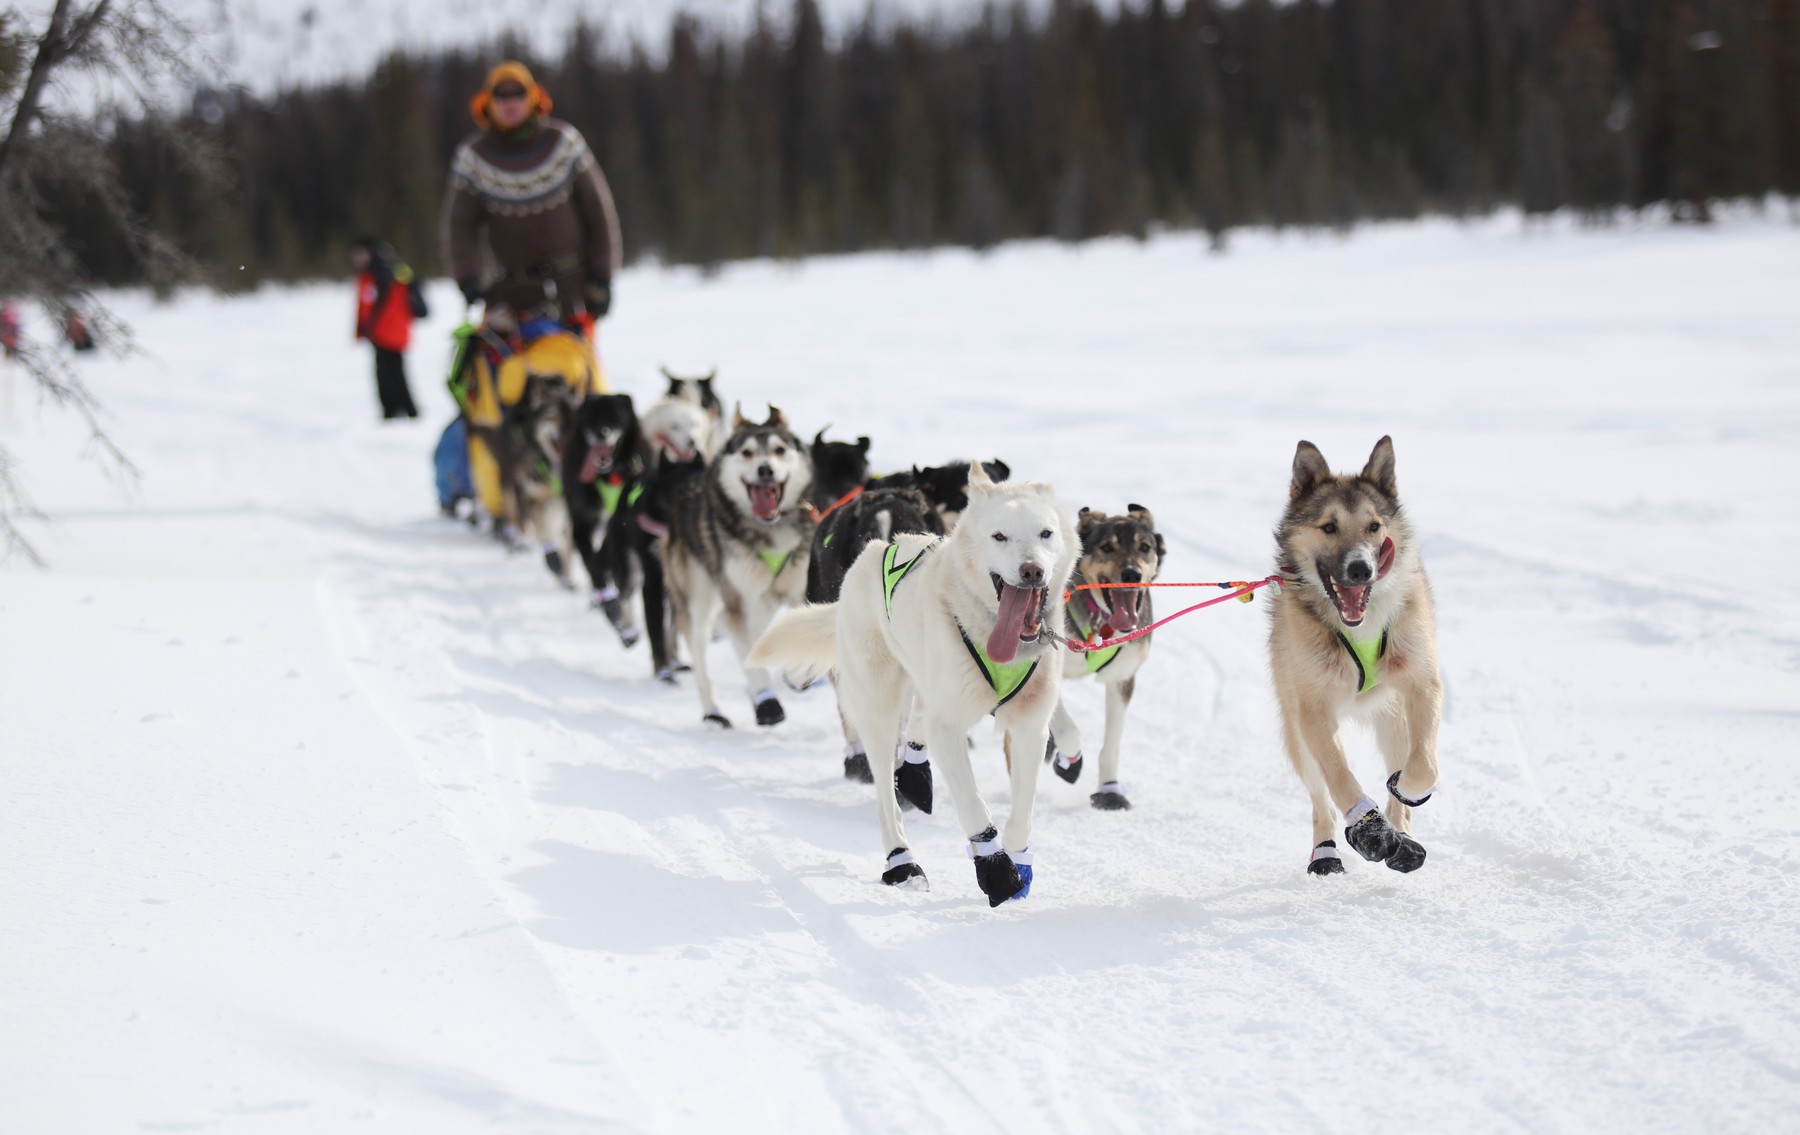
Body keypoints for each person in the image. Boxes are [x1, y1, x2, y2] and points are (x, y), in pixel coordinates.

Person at [442, 61, 622, 326]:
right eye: (501, 96)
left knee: (570, 367)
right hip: (507, 295)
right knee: (496, 368)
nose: (510, 103)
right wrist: (467, 276)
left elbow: (598, 212)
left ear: (534, 97)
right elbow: (459, 226)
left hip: (571, 292)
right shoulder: (473, 157)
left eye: (518, 94)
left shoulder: (564, 143)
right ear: (488, 103)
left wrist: (602, 278)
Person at [351, 237, 426, 420]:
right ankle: (400, 411)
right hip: (386, 332)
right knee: (389, 373)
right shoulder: (384, 272)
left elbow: (380, 306)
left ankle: (403, 411)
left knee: (391, 375)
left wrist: (367, 328)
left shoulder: (382, 274)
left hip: (388, 332)